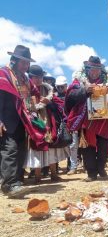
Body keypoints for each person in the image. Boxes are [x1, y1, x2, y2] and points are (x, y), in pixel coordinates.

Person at [0, 45, 46, 197]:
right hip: (7, 119)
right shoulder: (3, 74)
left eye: (28, 63)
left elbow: (34, 92)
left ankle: (17, 180)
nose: (26, 66)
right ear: (14, 60)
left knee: (21, 150)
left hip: (22, 119)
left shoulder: (25, 78)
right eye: (23, 62)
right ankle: (9, 184)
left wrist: (34, 104)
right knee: (10, 150)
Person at [65, 56, 108, 181]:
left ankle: (101, 167)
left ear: (101, 70)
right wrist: (84, 90)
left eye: (97, 69)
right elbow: (70, 97)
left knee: (104, 146)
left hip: (103, 119)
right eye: (92, 69)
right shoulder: (79, 82)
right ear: (87, 69)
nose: (95, 72)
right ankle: (91, 173)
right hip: (86, 120)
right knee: (88, 148)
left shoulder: (106, 81)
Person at [26, 65, 69, 183]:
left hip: (49, 124)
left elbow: (59, 107)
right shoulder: (26, 90)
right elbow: (24, 106)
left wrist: (49, 102)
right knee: (36, 148)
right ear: (31, 78)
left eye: (40, 77)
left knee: (51, 148)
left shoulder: (49, 91)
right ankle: (37, 176)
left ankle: (54, 174)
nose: (39, 79)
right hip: (34, 124)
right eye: (36, 77)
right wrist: (32, 108)